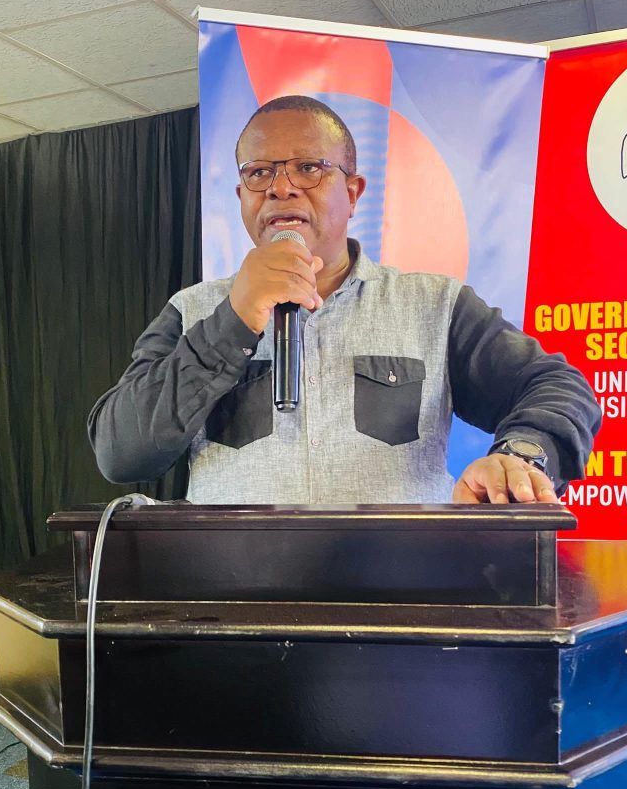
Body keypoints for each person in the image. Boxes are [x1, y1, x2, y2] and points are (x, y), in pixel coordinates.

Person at [88, 96, 600, 505]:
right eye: (259, 173)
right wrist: (234, 320)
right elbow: (120, 452)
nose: (281, 188)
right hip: (235, 599)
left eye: (309, 168)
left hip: (398, 596)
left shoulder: (433, 305)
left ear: (352, 193)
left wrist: (520, 457)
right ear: (241, 196)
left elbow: (557, 387)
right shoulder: (193, 311)